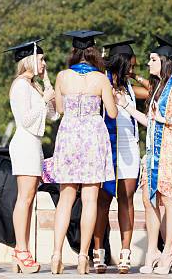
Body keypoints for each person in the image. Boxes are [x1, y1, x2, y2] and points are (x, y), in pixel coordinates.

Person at [116, 36, 172, 275]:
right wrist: (127, 107)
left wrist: (168, 119)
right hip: (153, 152)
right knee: (149, 201)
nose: (147, 62)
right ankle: (152, 251)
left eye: (152, 59)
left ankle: (169, 251)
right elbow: (151, 122)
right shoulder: (158, 88)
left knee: (171, 203)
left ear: (164, 61)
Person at [50, 30, 118, 275]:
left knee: (66, 199)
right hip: (92, 137)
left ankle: (56, 254)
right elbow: (111, 113)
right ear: (93, 52)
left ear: (74, 52)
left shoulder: (62, 76)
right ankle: (82, 258)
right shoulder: (101, 79)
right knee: (90, 199)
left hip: (69, 135)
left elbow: (58, 108)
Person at [91, 39, 146, 274]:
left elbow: (153, 91)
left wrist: (134, 77)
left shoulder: (130, 87)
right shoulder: (102, 83)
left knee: (127, 199)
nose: (133, 70)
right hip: (108, 146)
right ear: (122, 63)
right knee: (102, 202)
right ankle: (99, 253)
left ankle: (125, 254)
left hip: (129, 148)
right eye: (131, 66)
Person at [4, 39, 58, 274]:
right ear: (29, 60)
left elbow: (54, 115)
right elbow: (26, 120)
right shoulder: (20, 86)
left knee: (30, 199)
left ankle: (22, 250)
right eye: (41, 59)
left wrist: (48, 89)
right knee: (24, 199)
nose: (44, 63)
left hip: (35, 145)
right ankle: (21, 250)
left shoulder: (34, 85)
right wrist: (44, 101)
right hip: (24, 143)